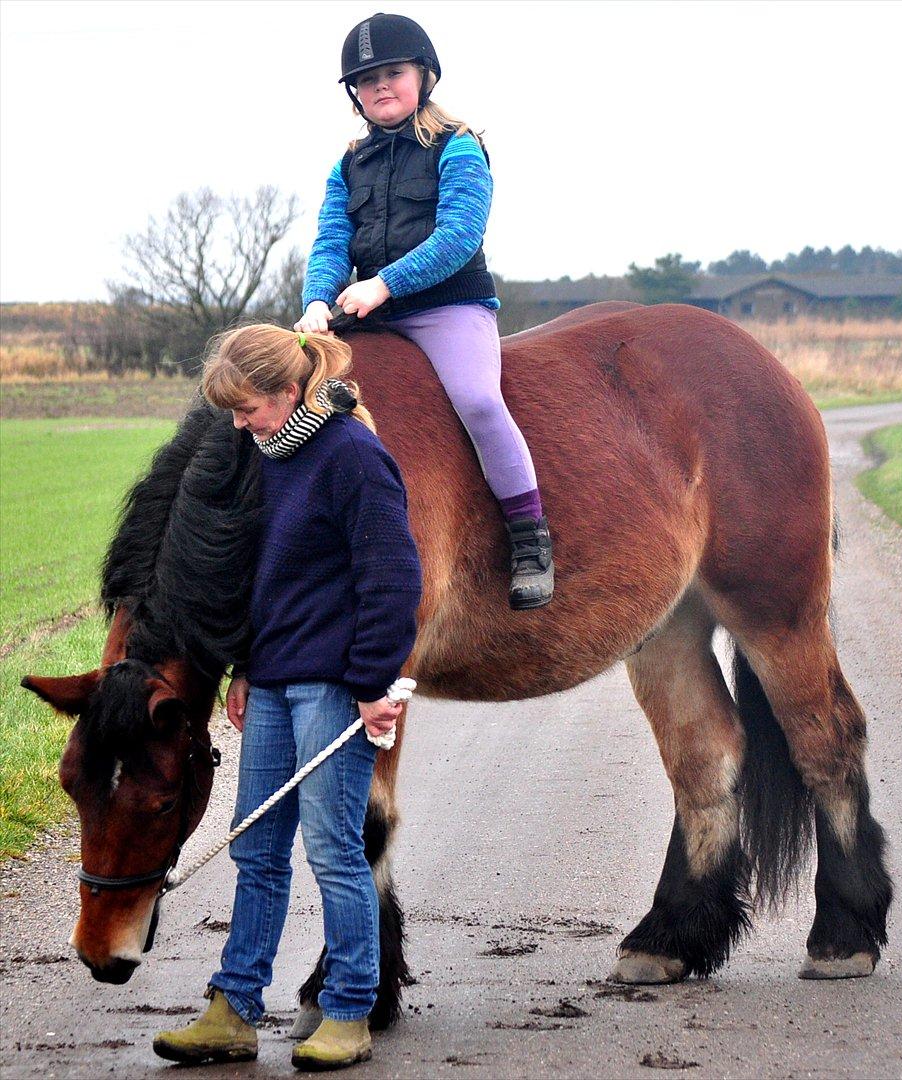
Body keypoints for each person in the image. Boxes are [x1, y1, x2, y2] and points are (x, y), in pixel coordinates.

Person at [152, 324, 422, 1072]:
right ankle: (233, 1008)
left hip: (335, 689)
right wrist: (245, 667)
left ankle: (349, 1010)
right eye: (232, 413)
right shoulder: (263, 457)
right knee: (257, 846)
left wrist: (374, 686)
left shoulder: (353, 458)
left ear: (289, 391)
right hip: (270, 683)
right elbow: (260, 576)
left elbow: (393, 580)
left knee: (334, 850)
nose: (239, 425)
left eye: (248, 409)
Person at [295, 11, 554, 610]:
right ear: (355, 96)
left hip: (448, 308)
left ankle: (530, 537)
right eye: (366, 80)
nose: (380, 86)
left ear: (424, 76)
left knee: (480, 402)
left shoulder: (458, 147)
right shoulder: (347, 164)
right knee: (285, 393)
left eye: (393, 72)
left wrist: (382, 285)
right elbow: (332, 242)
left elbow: (460, 235)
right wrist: (316, 298)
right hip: (367, 311)